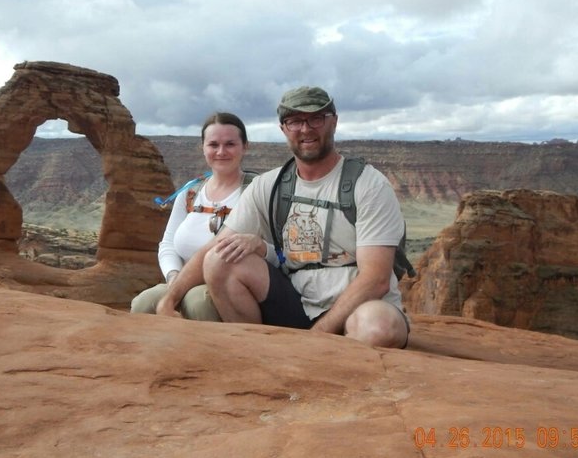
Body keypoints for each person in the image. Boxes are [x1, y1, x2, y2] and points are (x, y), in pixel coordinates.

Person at [158, 86, 410, 348]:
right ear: (283, 128)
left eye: (316, 118)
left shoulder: (367, 184)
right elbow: (213, 248)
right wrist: (170, 298)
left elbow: (376, 278)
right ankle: (257, 354)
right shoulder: (269, 185)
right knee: (219, 259)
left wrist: (316, 337)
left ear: (333, 122)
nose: (305, 129)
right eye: (295, 121)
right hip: (296, 300)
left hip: (357, 304)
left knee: (379, 327)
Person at [130, 112, 275, 320]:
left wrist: (258, 245)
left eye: (230, 144)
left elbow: (280, 253)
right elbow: (168, 244)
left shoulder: (258, 191)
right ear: (203, 148)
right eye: (213, 145)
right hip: (182, 282)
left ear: (245, 146)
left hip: (231, 287)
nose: (221, 152)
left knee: (198, 303)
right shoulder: (191, 192)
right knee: (143, 303)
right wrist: (173, 278)